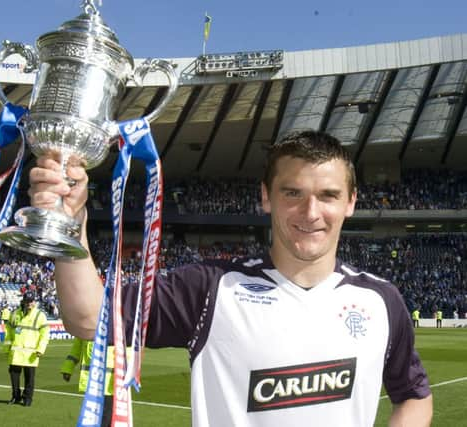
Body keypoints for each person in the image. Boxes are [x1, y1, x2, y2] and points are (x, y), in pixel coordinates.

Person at [29, 130, 433, 426]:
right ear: (265, 197)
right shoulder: (211, 288)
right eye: (292, 193)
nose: (311, 212)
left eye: (328, 195)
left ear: (350, 202)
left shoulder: (381, 300)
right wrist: (70, 223)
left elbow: (414, 396)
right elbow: (87, 316)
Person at [3, 290, 49, 407]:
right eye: (27, 301)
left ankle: (27, 398)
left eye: (31, 301)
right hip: (16, 352)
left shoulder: (40, 316)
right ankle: (15, 396)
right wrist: (6, 348)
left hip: (31, 353)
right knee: (14, 376)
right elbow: (8, 332)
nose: (29, 303)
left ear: (34, 302)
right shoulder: (15, 314)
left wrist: (40, 349)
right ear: (23, 301)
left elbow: (45, 335)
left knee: (29, 378)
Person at [61, 337, 114, 426]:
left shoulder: (114, 327)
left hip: (109, 383)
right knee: (92, 418)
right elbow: (76, 348)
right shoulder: (85, 327)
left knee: (106, 418)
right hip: (91, 383)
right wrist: (68, 368)